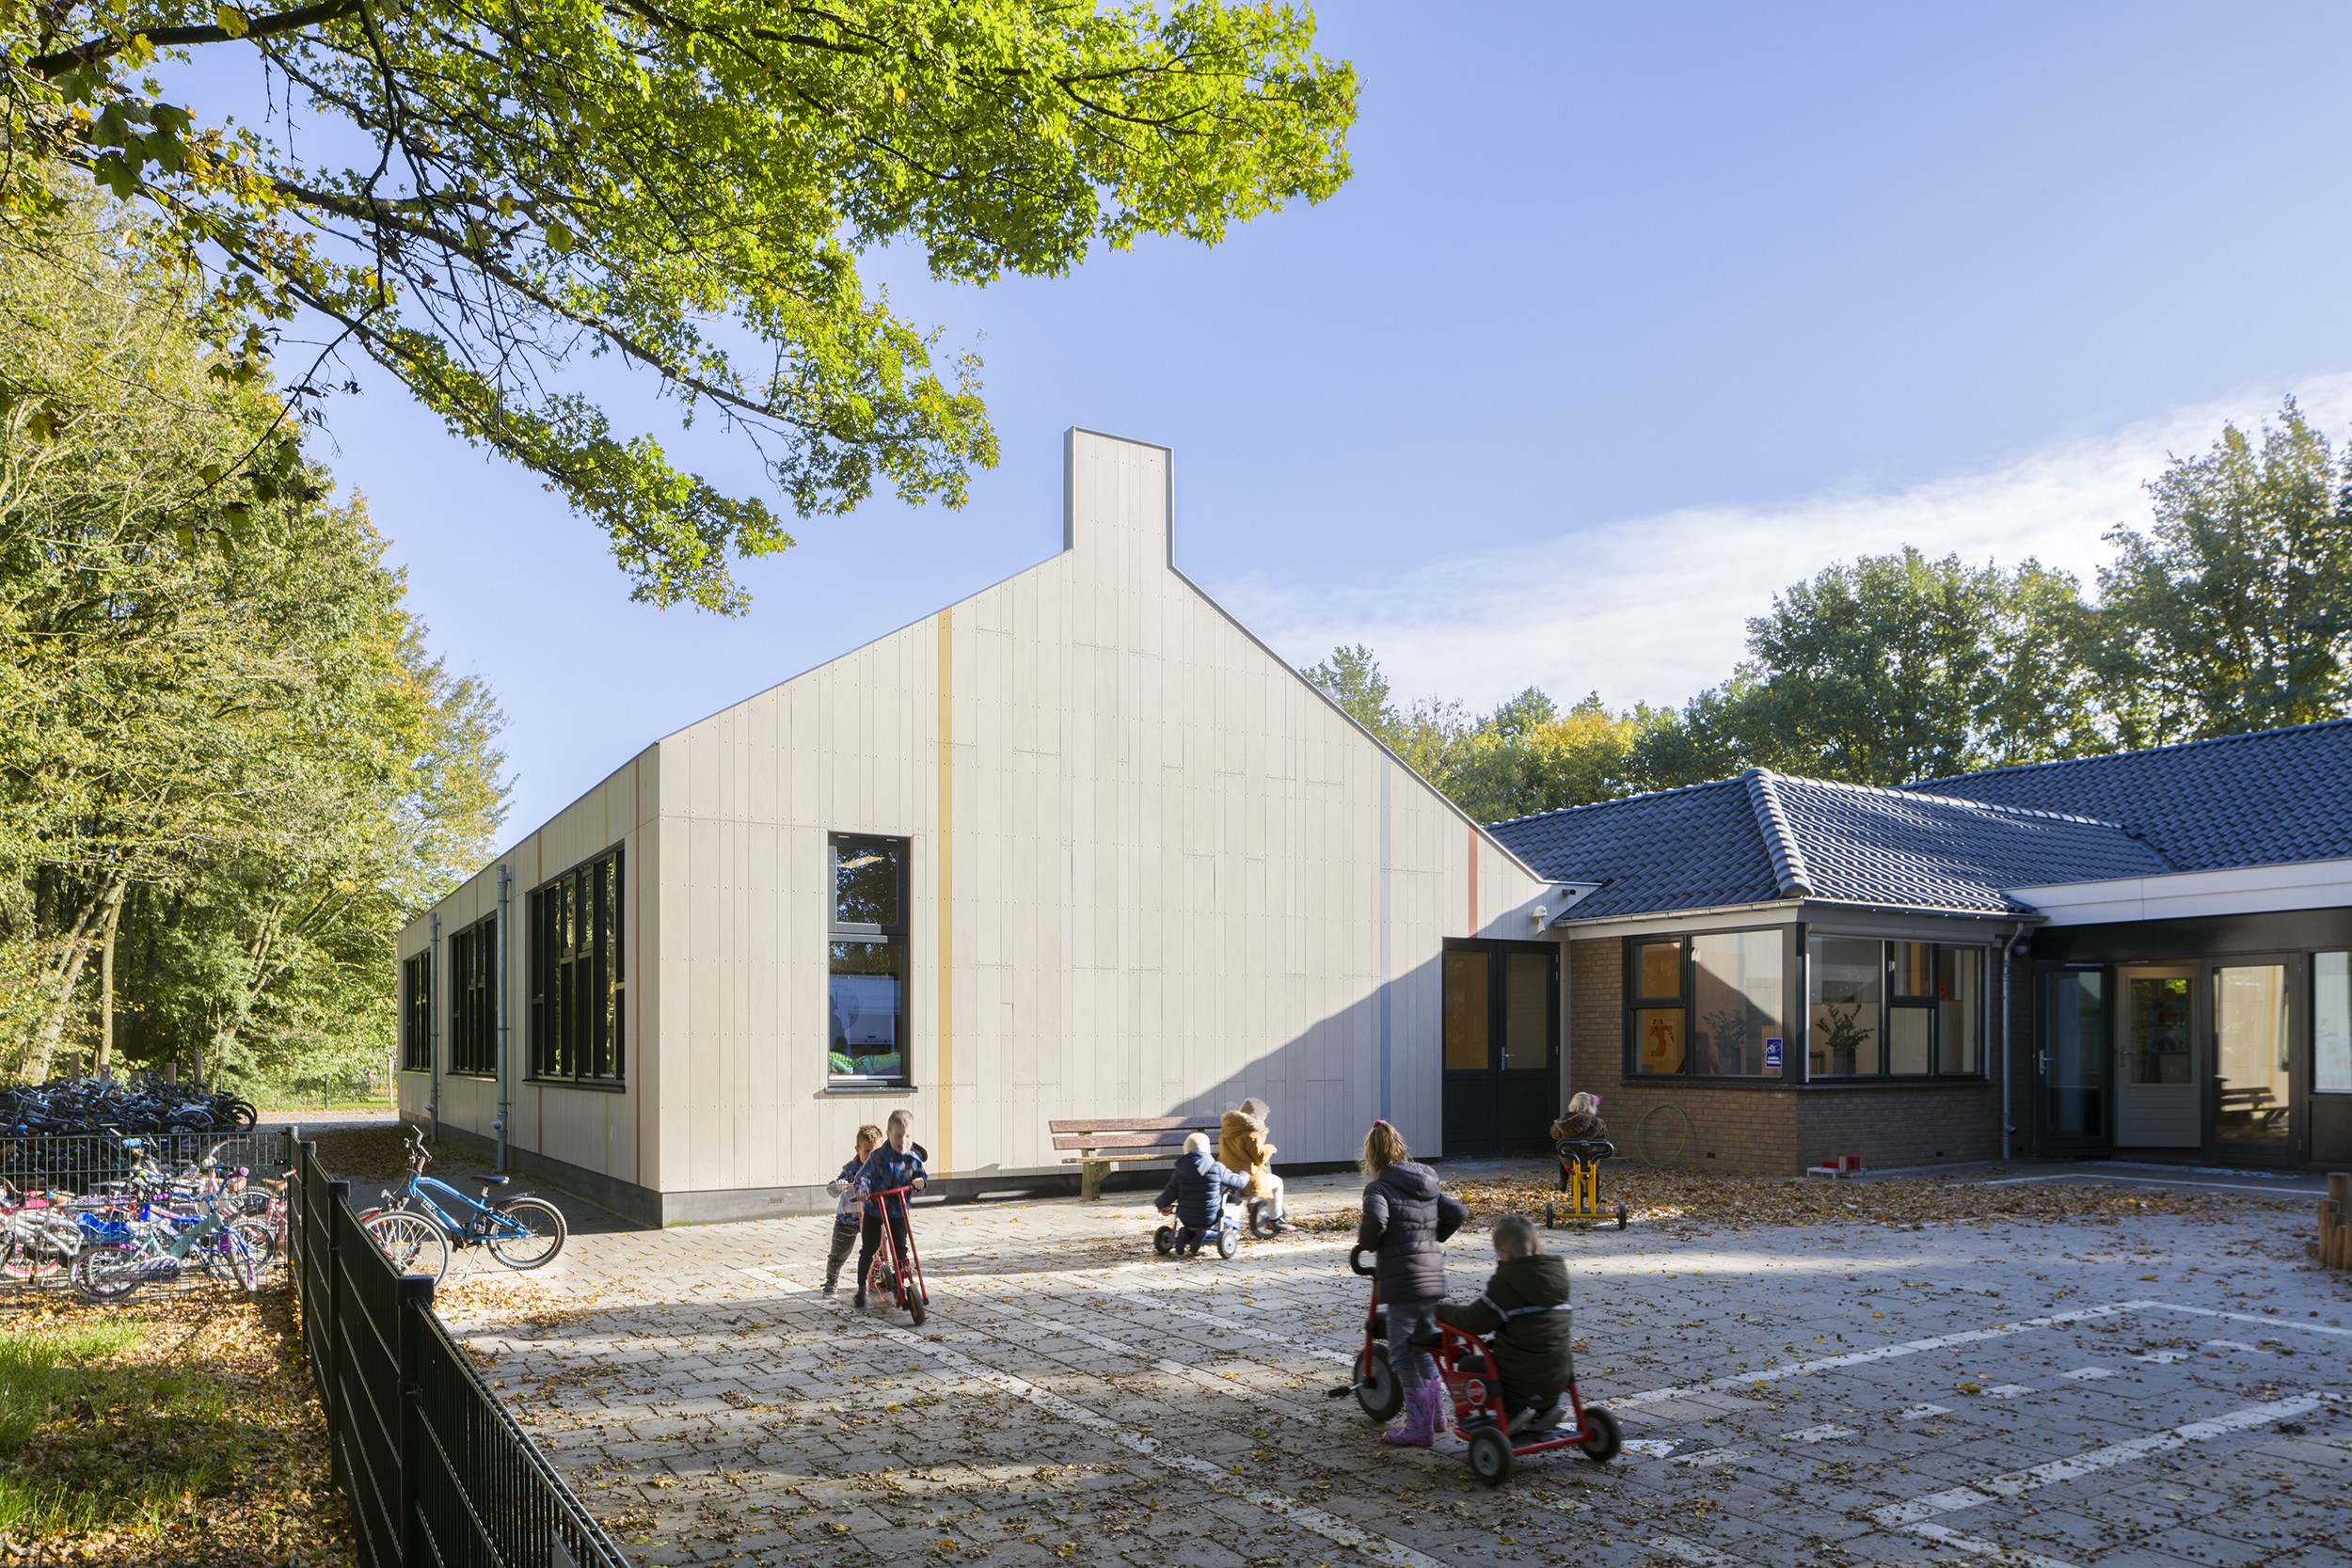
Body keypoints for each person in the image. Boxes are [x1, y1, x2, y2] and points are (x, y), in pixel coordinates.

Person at [1356, 1119, 1467, 1448]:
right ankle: (1436, 1418)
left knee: (1402, 1352)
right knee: (1423, 1347)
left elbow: (1376, 1220)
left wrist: (1367, 1245)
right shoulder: (1427, 1181)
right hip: (1432, 1277)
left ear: (1372, 1157)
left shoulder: (1378, 1188)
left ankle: (1420, 1429)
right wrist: (1432, 1239)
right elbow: (1457, 1212)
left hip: (1404, 1281)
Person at [1435, 1212, 1574, 1433]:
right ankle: (1547, 1407)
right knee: (1533, 1349)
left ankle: (1513, 1412)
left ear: (1504, 1252)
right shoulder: (1557, 1280)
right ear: (1540, 1249)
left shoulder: (1508, 1283)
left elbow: (1474, 1321)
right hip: (1560, 1372)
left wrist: (1441, 1310)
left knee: (1470, 1365)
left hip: (1520, 1378)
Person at [851, 1109, 928, 1308]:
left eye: (907, 1136)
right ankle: (861, 1289)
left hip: (898, 1210)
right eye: (898, 1136)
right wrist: (862, 1188)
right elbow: (863, 1176)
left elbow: (921, 1176)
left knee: (901, 1250)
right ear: (888, 1133)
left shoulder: (913, 1158)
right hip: (875, 1209)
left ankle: (900, 1283)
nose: (902, 1141)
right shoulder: (877, 1157)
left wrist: (920, 1181)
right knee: (869, 1247)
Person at [1155, 1132, 1247, 1256]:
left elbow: (1170, 1192)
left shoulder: (1180, 1171)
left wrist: (1160, 1203)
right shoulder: (1216, 1167)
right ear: (1208, 1151)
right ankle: (1204, 1233)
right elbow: (1236, 1183)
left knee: (1190, 1221)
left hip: (1186, 1217)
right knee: (1220, 1219)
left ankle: (1185, 1234)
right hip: (1209, 1217)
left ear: (1186, 1152)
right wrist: (1244, 1176)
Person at [821, 1124, 882, 1295]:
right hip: (848, 1217)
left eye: (876, 1151)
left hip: (873, 1217)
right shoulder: (850, 1169)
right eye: (867, 1151)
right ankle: (831, 1280)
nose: (871, 1156)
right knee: (839, 1252)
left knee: (878, 1250)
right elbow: (832, 1189)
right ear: (858, 1149)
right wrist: (838, 1185)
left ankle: (875, 1279)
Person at [1218, 1097, 1294, 1232]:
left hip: (1228, 1178)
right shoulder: (1251, 1134)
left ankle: (1254, 1205)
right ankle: (1276, 1219)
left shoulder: (1227, 1131)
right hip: (1247, 1180)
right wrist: (1270, 1148)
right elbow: (1259, 1158)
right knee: (1277, 1183)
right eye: (1262, 1118)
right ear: (1254, 1116)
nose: (1263, 1121)